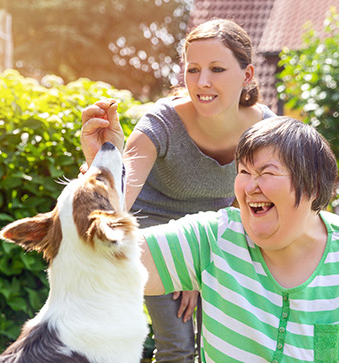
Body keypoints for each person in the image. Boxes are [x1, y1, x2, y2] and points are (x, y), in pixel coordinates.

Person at [81, 19, 276, 362]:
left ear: (247, 76)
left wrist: (202, 261)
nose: (202, 82)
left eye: (217, 69)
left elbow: (252, 199)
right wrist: (100, 159)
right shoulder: (161, 123)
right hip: (153, 230)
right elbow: (120, 199)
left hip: (219, 231)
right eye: (193, 69)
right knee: (180, 346)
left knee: (229, 344)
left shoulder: (264, 129)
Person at [141, 116, 339, 362]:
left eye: (267, 172)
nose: (250, 186)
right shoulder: (216, 237)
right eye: (244, 171)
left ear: (314, 187)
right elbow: (112, 260)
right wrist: (103, 173)